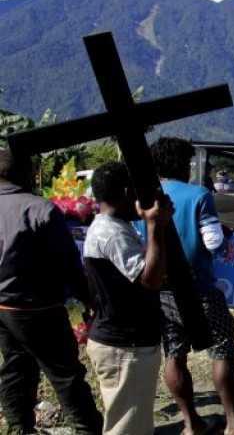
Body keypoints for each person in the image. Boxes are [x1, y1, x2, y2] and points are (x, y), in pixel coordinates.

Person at [147, 138, 234, 435]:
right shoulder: (198, 194)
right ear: (182, 164)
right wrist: (225, 235)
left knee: (174, 352)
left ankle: (191, 425)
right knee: (222, 350)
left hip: (161, 290)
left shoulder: (146, 197)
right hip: (199, 287)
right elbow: (213, 242)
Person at [0, 148, 103, 434]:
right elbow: (68, 263)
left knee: (15, 369)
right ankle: (86, 428)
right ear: (22, 174)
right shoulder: (40, 208)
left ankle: (18, 427)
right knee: (65, 373)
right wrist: (88, 298)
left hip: (3, 309)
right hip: (37, 307)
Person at [83, 162, 172, 435]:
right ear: (125, 192)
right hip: (124, 346)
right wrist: (155, 225)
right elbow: (150, 279)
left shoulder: (114, 227)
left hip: (125, 342)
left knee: (133, 422)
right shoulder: (112, 233)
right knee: (128, 428)